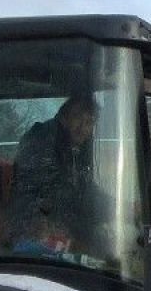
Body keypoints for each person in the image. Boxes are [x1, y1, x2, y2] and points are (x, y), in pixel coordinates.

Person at [6, 91, 107, 262]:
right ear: (63, 117)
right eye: (77, 118)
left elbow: (86, 189)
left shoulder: (76, 149)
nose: (82, 127)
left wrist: (120, 209)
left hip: (60, 227)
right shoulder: (43, 140)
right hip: (34, 232)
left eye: (89, 122)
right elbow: (39, 193)